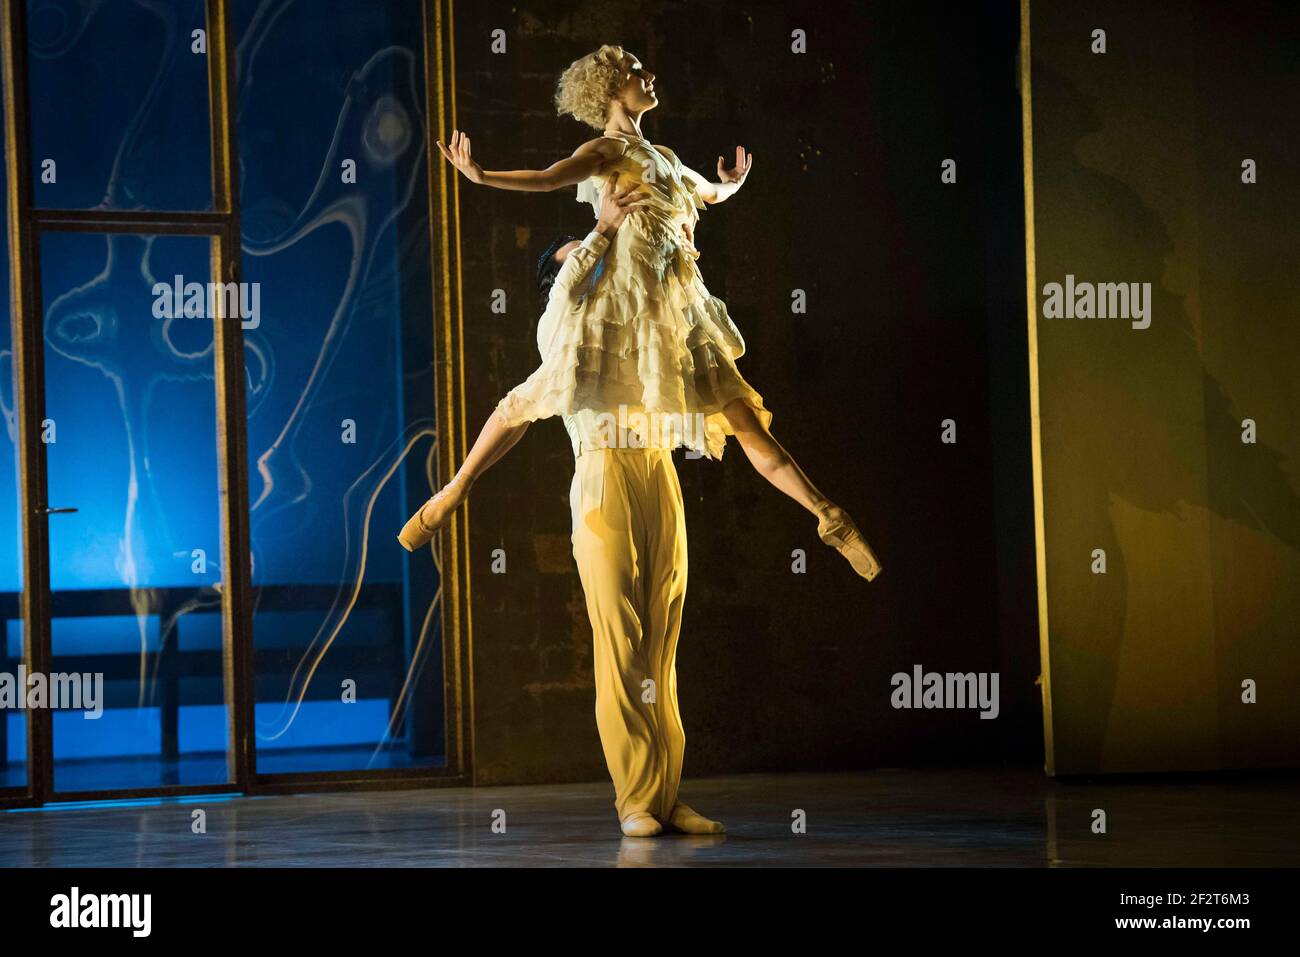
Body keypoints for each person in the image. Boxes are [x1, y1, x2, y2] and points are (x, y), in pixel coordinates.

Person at [399, 45, 882, 836]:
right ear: (608, 89)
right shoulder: (581, 320)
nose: (650, 75)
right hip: (604, 474)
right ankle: (632, 798)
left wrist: (726, 186)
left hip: (656, 466)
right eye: (635, 70)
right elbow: (514, 404)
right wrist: (485, 181)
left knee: (662, 641)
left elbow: (700, 195)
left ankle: (664, 792)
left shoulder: (660, 329)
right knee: (620, 640)